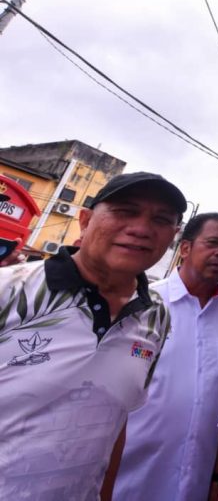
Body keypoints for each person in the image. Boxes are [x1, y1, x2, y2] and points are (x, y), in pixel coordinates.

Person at [0, 172, 186, 500]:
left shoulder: (156, 316)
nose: (142, 229)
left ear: (172, 236)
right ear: (85, 221)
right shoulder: (11, 290)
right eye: (125, 211)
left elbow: (114, 421)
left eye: (161, 220)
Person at [114, 213, 218, 501]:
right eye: (213, 242)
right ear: (185, 248)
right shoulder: (143, 303)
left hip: (197, 479)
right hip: (129, 475)